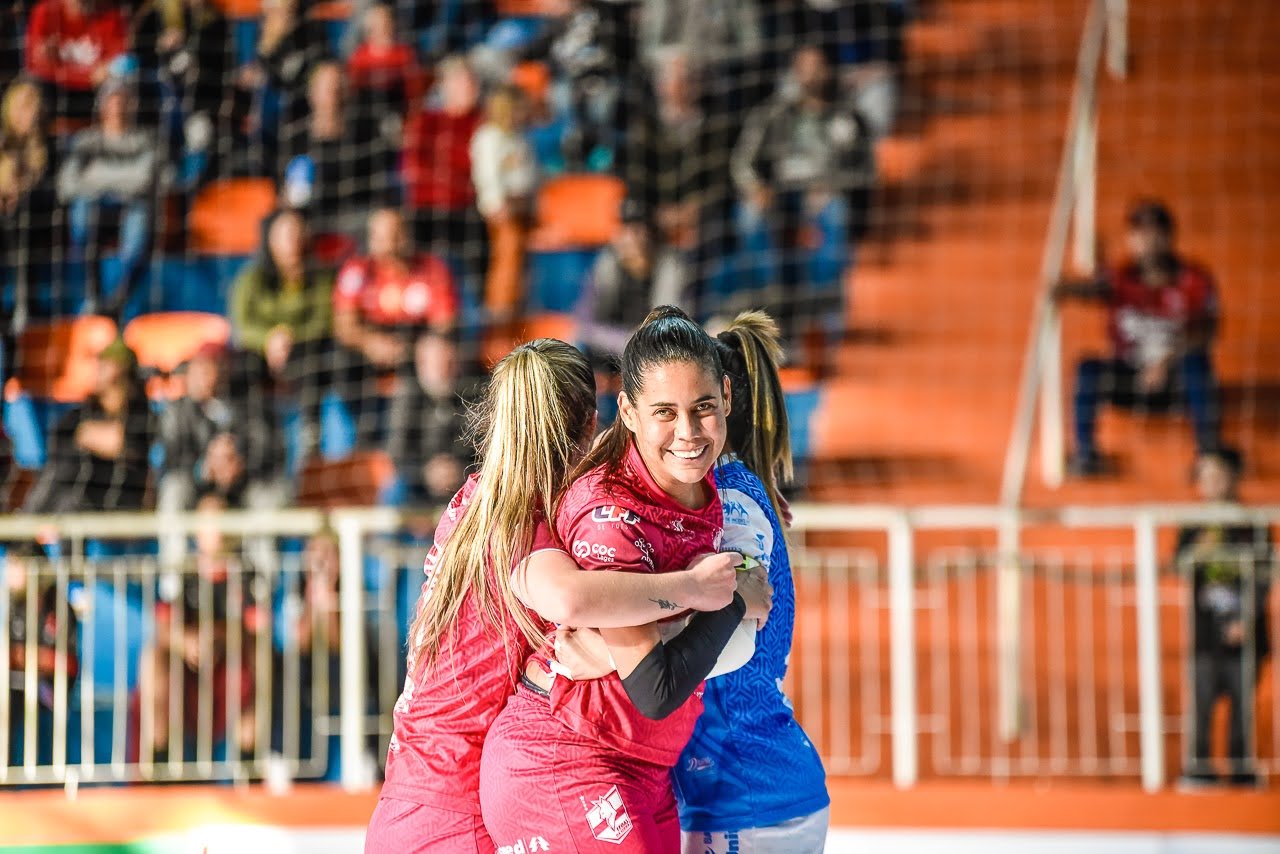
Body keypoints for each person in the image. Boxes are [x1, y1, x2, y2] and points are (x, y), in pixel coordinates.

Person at [365, 337, 749, 853]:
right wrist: (695, 588)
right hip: (459, 809)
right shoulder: (525, 517)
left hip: (411, 799)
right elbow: (570, 599)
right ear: (592, 423)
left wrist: (610, 651)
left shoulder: (475, 499)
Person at [480, 307, 774, 853]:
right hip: (565, 758)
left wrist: (713, 595)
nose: (687, 432)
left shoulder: (707, 490)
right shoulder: (610, 514)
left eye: (703, 407)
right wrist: (730, 596)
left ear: (728, 399)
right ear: (629, 413)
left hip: (641, 766)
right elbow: (656, 690)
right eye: (665, 411)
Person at [674, 311, 830, 851]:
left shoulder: (732, 500)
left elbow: (734, 632)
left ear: (720, 406)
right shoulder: (730, 491)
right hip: (742, 785)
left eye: (685, 407)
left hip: (745, 789)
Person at [1055, 200, 1223, 476]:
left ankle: (1208, 457)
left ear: (1170, 236)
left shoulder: (1195, 280)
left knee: (1198, 365)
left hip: (1175, 381)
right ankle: (1086, 456)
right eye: (1139, 233)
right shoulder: (1120, 278)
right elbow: (1091, 290)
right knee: (1087, 368)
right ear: (1131, 239)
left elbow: (1208, 331)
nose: (1148, 241)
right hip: (1130, 378)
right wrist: (1063, 286)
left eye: (1155, 232)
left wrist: (1166, 362)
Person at [731, 44, 874, 363]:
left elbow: (865, 171)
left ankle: (823, 312)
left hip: (824, 197)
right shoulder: (773, 114)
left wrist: (832, 187)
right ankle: (769, 305)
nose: (811, 74)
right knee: (749, 216)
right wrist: (756, 188)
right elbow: (743, 161)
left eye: (818, 66)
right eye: (804, 66)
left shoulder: (848, 116)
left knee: (836, 212)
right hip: (780, 197)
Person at [1175, 448, 1272, 787]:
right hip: (1205, 633)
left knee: (1242, 705)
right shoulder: (1193, 525)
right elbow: (1178, 565)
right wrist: (1198, 549)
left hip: (1246, 633)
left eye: (1217, 475)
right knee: (1201, 702)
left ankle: (1241, 767)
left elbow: (1264, 576)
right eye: (1204, 476)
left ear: (1234, 477)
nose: (1211, 483)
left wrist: (1245, 618)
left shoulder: (1252, 524)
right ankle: (1199, 768)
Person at [332, 207, 461, 444]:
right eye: (382, 236)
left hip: (413, 345)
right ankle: (365, 438)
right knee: (339, 362)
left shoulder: (432, 268)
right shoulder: (357, 270)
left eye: (396, 234)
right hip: (368, 345)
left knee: (433, 362)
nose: (390, 243)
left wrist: (411, 347)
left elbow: (445, 323)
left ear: (408, 235)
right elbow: (343, 325)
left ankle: (411, 447)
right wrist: (369, 342)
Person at [56, 71, 157, 318]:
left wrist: (96, 175)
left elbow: (144, 180)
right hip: (95, 210)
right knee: (81, 209)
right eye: (111, 99)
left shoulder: (144, 140)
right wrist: (122, 177)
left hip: (131, 208)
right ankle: (94, 294)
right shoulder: (85, 141)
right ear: (101, 105)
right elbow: (67, 185)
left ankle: (121, 298)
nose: (117, 106)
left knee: (141, 217)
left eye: (122, 99)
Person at [22, 338, 152, 515]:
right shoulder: (83, 412)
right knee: (66, 486)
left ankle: (27, 526)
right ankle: (27, 529)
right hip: (80, 494)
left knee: (68, 492)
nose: (97, 370)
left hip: (122, 498)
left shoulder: (140, 411)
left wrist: (86, 435)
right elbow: (59, 444)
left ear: (121, 370)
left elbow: (127, 443)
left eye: (105, 365)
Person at [279, 61, 401, 238]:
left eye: (337, 85)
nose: (332, 93)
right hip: (310, 218)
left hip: (358, 217)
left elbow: (381, 185)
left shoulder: (367, 135)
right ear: (312, 93)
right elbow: (285, 190)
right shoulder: (296, 138)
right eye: (326, 87)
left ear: (347, 91)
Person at [402, 56, 486, 293]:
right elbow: (415, 167)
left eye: (472, 82)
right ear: (445, 86)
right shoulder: (426, 122)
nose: (471, 88)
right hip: (428, 208)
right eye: (463, 82)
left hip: (467, 209)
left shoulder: (482, 122)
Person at [575, 196, 690, 364]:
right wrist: (624, 339)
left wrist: (643, 336)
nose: (631, 237)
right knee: (576, 346)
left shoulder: (670, 265)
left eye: (638, 229)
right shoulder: (606, 264)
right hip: (613, 346)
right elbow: (584, 325)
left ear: (653, 233)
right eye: (625, 228)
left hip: (655, 348)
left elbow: (674, 324)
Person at [384, 330, 477, 507]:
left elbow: (485, 448)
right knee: (394, 491)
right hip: (419, 485)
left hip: (464, 480)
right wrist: (426, 473)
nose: (445, 370)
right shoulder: (408, 395)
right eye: (438, 364)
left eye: (449, 363)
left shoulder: (472, 393)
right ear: (422, 364)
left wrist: (460, 469)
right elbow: (397, 452)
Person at [469, 83, 536, 318]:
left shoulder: (518, 138)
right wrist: (498, 203)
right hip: (503, 208)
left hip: (522, 205)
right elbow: (487, 174)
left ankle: (517, 304)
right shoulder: (489, 137)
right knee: (507, 255)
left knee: (520, 260)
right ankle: (500, 309)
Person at [0, 78, 55, 330]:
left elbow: (48, 186)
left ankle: (24, 303)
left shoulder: (48, 146)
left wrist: (19, 193)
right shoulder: (3, 143)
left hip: (36, 219)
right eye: (23, 106)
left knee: (21, 216)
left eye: (33, 106)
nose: (29, 113)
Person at [24, 0, 128, 121]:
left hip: (93, 90)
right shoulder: (46, 11)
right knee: (29, 88)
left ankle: (113, 138)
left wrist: (107, 69)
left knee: (117, 85)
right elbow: (34, 64)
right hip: (54, 87)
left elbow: (121, 61)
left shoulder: (110, 15)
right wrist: (88, 76)